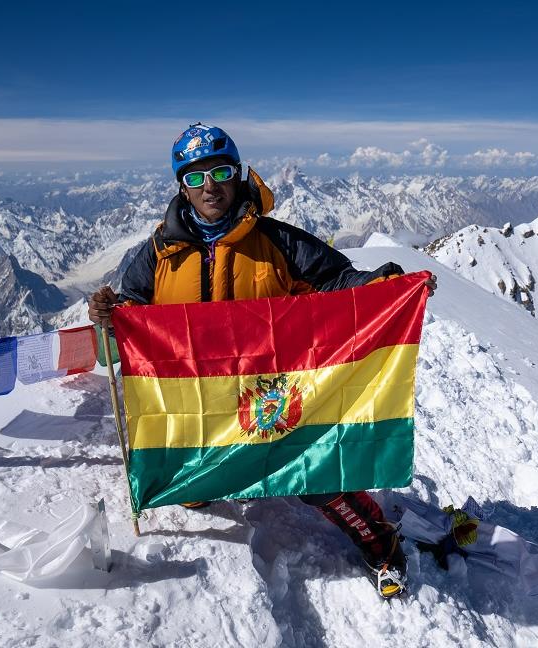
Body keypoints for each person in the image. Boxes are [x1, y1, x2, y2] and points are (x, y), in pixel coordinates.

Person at [89, 123, 437, 598]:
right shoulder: (157, 254)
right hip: (201, 400)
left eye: (221, 172)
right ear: (181, 186)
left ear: (239, 174)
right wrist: (111, 318)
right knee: (193, 489)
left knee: (317, 471)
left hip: (274, 389)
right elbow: (133, 315)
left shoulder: (278, 242)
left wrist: (387, 290)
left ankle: (378, 541)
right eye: (195, 177)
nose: (209, 186)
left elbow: (337, 283)